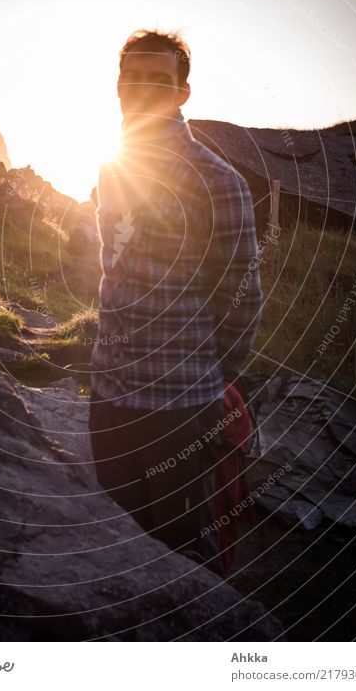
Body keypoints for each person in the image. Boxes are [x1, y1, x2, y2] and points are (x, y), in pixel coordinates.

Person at [88, 28, 263, 576]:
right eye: (131, 78)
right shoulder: (112, 164)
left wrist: (210, 378)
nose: (142, 90)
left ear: (183, 93)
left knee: (181, 555)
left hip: (178, 406)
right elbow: (114, 264)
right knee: (119, 546)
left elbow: (243, 299)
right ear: (118, 86)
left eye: (158, 81)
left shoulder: (219, 182)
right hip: (108, 393)